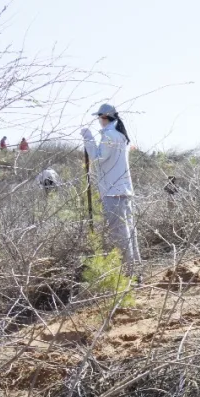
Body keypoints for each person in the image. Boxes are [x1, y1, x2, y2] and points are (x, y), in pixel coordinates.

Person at [81, 103, 141, 274]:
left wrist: (88, 138)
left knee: (119, 234)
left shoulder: (110, 136)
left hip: (113, 191)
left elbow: (98, 158)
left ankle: (127, 274)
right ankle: (135, 271)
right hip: (123, 190)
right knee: (129, 231)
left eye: (99, 118)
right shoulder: (121, 136)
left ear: (103, 117)